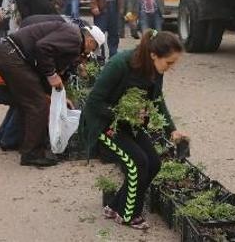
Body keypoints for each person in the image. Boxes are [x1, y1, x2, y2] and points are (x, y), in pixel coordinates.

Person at [80, 30, 187, 230]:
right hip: (103, 124)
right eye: (169, 63)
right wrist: (123, 114)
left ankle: (114, 206)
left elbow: (157, 99)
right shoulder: (120, 64)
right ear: (154, 54)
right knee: (137, 163)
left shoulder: (156, 70)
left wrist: (171, 130)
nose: (171, 68)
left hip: (128, 124)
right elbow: (93, 103)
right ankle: (128, 215)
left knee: (153, 163)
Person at [0, 21, 105, 167]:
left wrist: (60, 96)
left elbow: (45, 59)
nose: (89, 53)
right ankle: (31, 154)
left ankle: (10, 140)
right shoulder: (75, 39)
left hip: (8, 54)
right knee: (39, 105)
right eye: (93, 48)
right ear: (90, 40)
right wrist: (52, 75)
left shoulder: (71, 34)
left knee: (30, 100)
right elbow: (42, 48)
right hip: (12, 57)